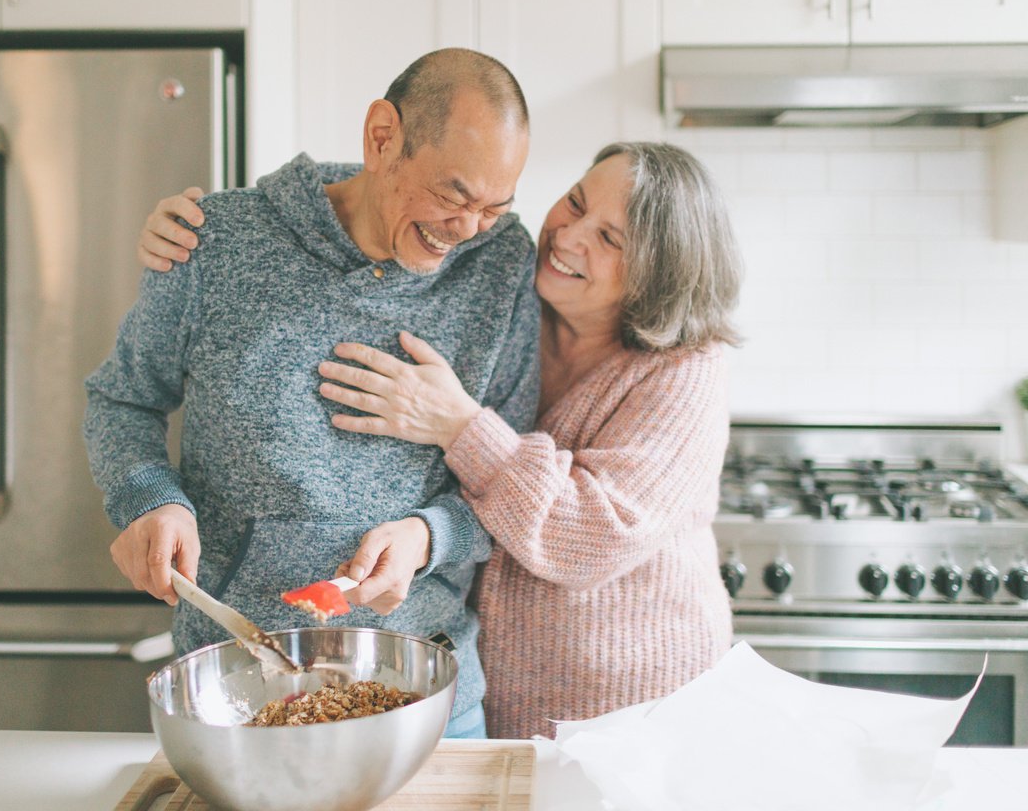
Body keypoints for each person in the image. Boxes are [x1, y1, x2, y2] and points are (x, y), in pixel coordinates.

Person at [138, 141, 743, 739]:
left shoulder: (685, 371)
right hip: (496, 691)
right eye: (576, 202)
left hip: (636, 709)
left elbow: (591, 536)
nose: (569, 235)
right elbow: (397, 195)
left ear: (661, 277)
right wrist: (220, 222)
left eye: (610, 238)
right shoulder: (517, 296)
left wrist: (458, 425)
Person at [83, 48, 541, 740]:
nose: (467, 229)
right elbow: (123, 400)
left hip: (427, 699)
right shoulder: (219, 242)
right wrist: (151, 499)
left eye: (494, 206)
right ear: (382, 136)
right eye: (453, 196)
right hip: (236, 689)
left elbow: (511, 476)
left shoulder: (501, 264)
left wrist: (428, 536)